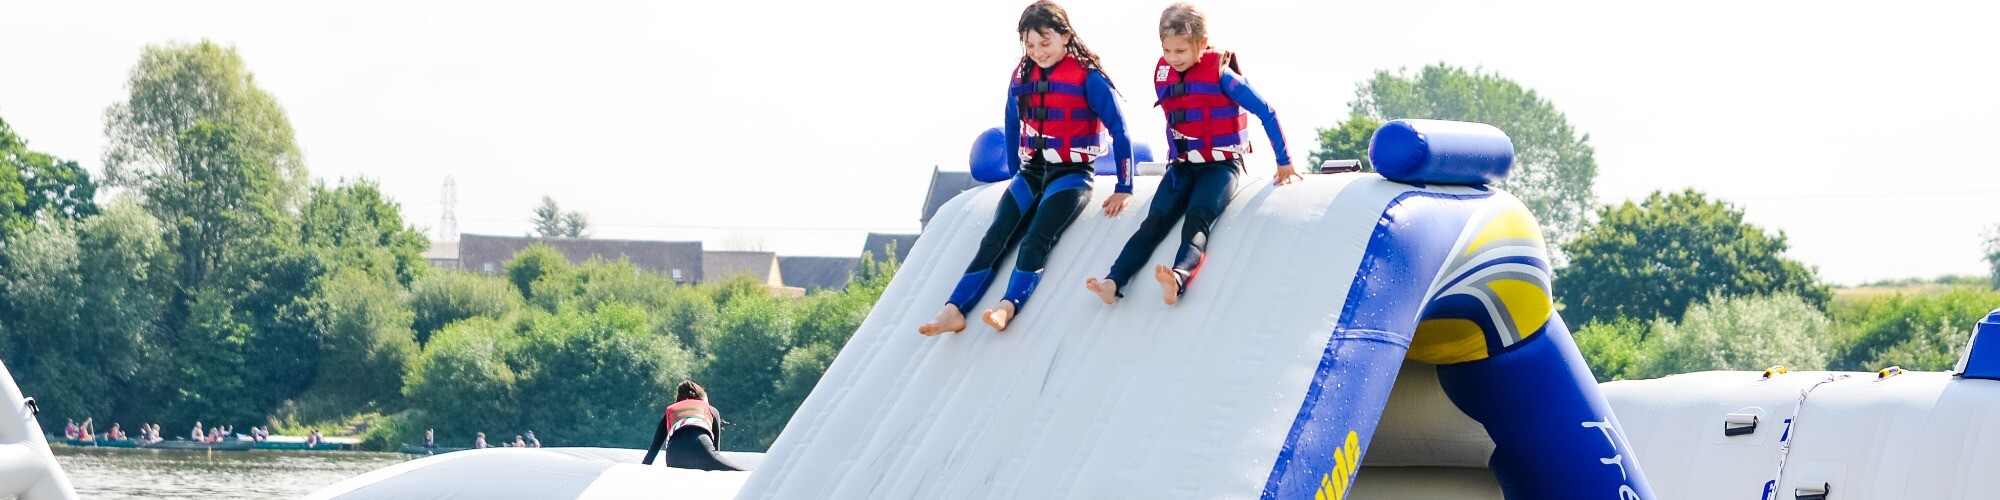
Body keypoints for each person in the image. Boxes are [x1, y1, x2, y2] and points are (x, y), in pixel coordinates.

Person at [918, 0, 1134, 335]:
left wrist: (1125, 186)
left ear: (1065, 36)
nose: (1038, 52)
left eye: (1045, 43)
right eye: (1030, 45)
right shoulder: (1022, 75)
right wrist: (1015, 171)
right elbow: (1011, 121)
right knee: (996, 236)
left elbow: (1120, 130)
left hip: (1072, 174)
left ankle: (1007, 307)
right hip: (1032, 170)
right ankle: (953, 310)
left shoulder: (1089, 78)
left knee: (1036, 238)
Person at [1086, 2, 1299, 306]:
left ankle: (1177, 277)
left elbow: (1266, 112)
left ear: (1202, 44)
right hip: (1182, 167)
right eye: (1167, 51)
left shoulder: (1223, 76)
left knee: (1197, 218)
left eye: (1181, 51)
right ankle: (1113, 281)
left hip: (1221, 167)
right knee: (1154, 220)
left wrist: (1284, 162)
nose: (1173, 59)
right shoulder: (1165, 73)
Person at [642, 381, 745, 471]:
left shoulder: (670, 411)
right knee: (743, 474)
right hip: (702, 451)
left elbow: (651, 453)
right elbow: (715, 451)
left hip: (673, 458)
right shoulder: (711, 410)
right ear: (702, 397)